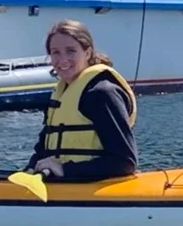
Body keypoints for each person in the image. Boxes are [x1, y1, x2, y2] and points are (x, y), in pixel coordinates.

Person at [27, 20, 137, 182]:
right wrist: (30, 169)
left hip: (92, 187)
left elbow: (125, 162)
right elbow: (43, 150)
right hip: (63, 184)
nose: (62, 59)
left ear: (87, 53)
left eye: (71, 51)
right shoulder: (60, 94)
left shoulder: (102, 93)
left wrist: (65, 169)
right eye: (55, 52)